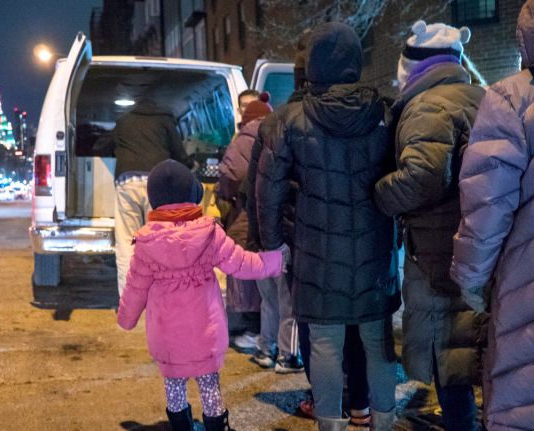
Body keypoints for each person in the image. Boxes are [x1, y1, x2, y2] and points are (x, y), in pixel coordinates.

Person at [257, 22, 400, 431]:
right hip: (375, 254)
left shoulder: (287, 121)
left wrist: (272, 248)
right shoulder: (385, 113)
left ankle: (330, 425)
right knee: (377, 342)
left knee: (323, 345)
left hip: (316, 258)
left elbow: (268, 193)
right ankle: (383, 423)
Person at [450, 1, 534, 429]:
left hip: (531, 292)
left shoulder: (511, 99)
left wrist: (473, 281)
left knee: (531, 402)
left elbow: (486, 207)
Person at [374, 20, 486, 431]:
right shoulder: (479, 95)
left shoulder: (428, 105)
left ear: (414, 65)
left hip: (437, 247)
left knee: (446, 346)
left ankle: (460, 422)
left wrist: (380, 193)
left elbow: (423, 175)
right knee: (471, 341)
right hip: (477, 243)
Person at [117, 159, 286, 431]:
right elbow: (241, 263)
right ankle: (217, 426)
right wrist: (276, 261)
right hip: (205, 333)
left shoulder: (146, 244)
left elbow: (135, 287)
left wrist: (125, 319)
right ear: (192, 193)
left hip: (168, 337)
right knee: (209, 386)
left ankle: (182, 427)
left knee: (174, 387)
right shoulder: (208, 233)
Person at [112, 98, 196, 297]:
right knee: (160, 240)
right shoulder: (165, 120)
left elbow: (105, 144)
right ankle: (161, 296)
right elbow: (178, 153)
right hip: (158, 184)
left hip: (127, 180)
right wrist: (190, 165)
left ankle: (129, 298)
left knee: (126, 242)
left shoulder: (123, 121)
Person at [218, 92, 273, 351]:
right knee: (273, 277)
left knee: (247, 271)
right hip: (274, 217)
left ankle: (253, 332)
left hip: (245, 216)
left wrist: (230, 196)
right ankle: (272, 337)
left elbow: (229, 175)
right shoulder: (280, 134)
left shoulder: (241, 141)